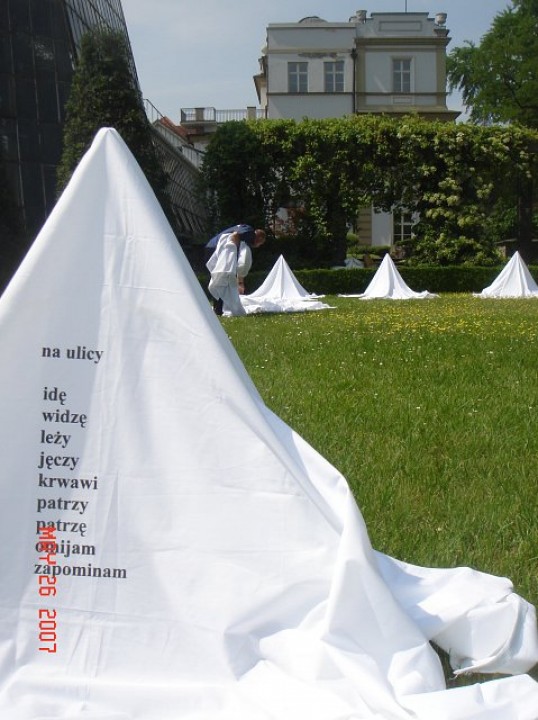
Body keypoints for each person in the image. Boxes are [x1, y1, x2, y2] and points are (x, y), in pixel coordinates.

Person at [237, 229, 266, 294]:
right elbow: (241, 265)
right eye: (260, 243)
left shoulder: (242, 244)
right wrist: (240, 283)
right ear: (259, 240)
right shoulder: (245, 247)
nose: (259, 246)